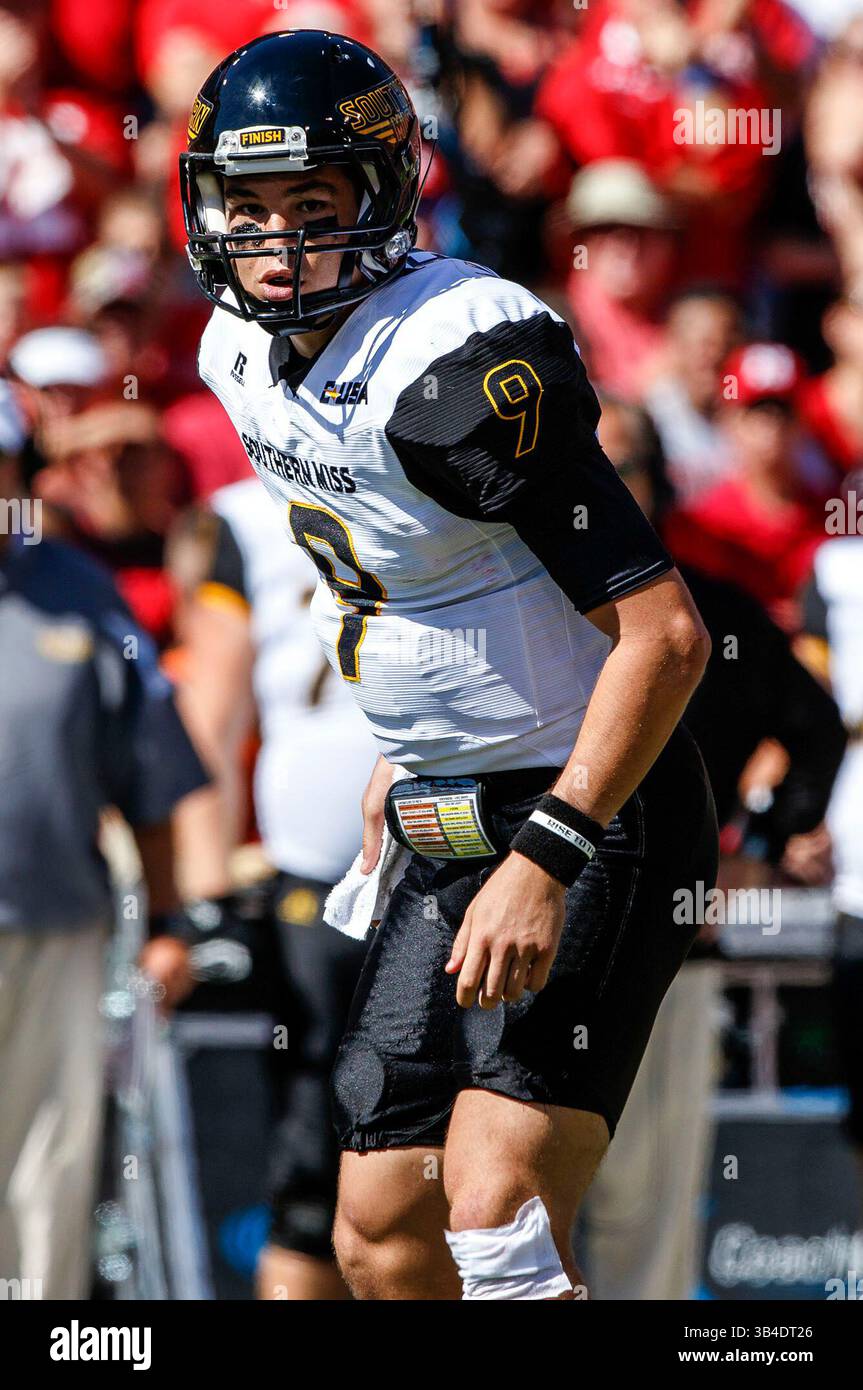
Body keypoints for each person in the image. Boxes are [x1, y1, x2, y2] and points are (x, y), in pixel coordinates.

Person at [183, 29, 717, 1301]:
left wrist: (545, 854)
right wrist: (402, 737)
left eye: (310, 206)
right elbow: (414, 572)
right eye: (245, 206)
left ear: (381, 196)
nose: (274, 240)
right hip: (438, 801)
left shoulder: (459, 364)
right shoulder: (232, 352)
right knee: (378, 1232)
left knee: (495, 1217)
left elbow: (665, 634)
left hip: (590, 803)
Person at [582, 397, 846, 1300]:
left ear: (655, 487)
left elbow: (814, 728)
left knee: (642, 1219)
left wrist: (758, 847)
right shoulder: (502, 613)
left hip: (667, 955)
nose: (594, 489)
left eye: (619, 469)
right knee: (497, 1211)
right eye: (576, 465)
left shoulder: (710, 618)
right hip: (503, 953)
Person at [0, 382, 208, 1298]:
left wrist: (168, 923)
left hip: (58, 932)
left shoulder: (80, 591)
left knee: (48, 1161)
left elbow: (150, 776)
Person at [171, 476, 376, 1299]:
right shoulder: (245, 519)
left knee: (468, 1149)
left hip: (459, 862)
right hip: (317, 872)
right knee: (314, 1162)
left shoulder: (448, 472)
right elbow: (209, 714)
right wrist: (207, 894)